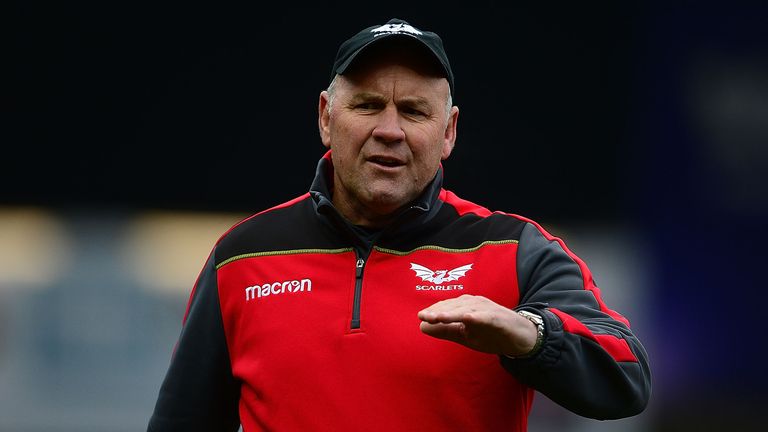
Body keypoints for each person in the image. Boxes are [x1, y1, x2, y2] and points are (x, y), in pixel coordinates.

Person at [146, 17, 651, 431]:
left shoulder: (514, 249)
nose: (389, 131)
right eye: (367, 106)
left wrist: (531, 334)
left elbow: (627, 377)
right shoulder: (244, 255)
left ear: (448, 132)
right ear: (326, 116)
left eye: (413, 111)